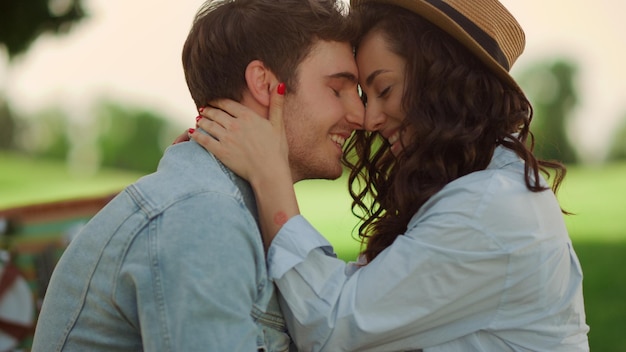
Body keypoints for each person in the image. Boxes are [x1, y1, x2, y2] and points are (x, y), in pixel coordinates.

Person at [191, 0, 590, 351]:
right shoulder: (475, 188)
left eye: (383, 89)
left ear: (442, 82)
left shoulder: (490, 208)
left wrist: (270, 177)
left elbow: (331, 326)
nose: (368, 118)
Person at [31, 0, 363, 350]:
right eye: (337, 89)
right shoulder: (205, 216)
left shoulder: (228, 205)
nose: (359, 115)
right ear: (265, 84)